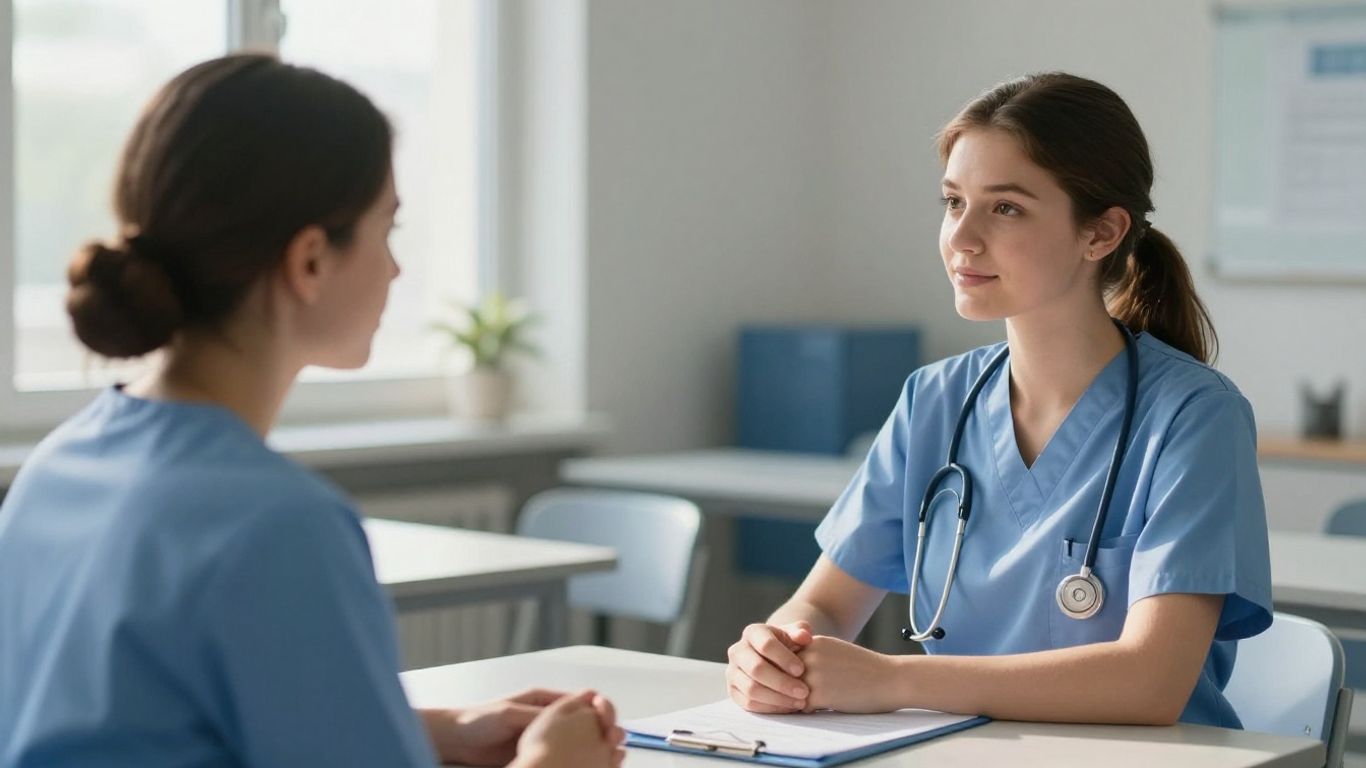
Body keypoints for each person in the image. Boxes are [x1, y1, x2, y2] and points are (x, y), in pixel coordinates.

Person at [0, 53, 624, 767]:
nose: (395, 269)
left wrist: (437, 728)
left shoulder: (55, 468)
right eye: (386, 230)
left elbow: (143, 728)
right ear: (310, 262)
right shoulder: (279, 525)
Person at [725, 72, 1272, 729]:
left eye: (1005, 207)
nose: (961, 237)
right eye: (954, 202)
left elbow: (1149, 682)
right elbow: (824, 607)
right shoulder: (933, 400)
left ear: (1100, 234)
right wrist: (779, 653)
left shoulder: (1193, 417)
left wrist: (894, 679)